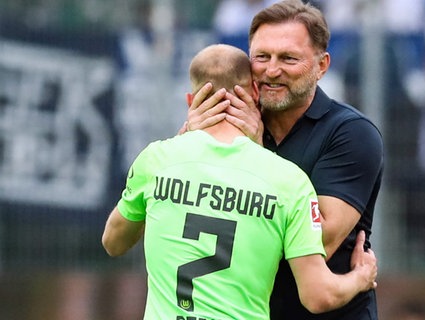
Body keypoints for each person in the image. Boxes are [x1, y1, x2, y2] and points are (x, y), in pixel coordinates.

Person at [102, 44, 377, 320]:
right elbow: (318, 295)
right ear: (255, 93)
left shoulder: (158, 160)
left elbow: (113, 242)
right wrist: (361, 277)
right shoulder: (288, 181)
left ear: (190, 101)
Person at [183, 1, 384, 319]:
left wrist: (253, 151)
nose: (271, 70)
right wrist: (191, 144)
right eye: (261, 57)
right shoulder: (228, 123)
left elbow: (318, 241)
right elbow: (179, 206)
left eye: (288, 58)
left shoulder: (351, 134)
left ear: (322, 66)